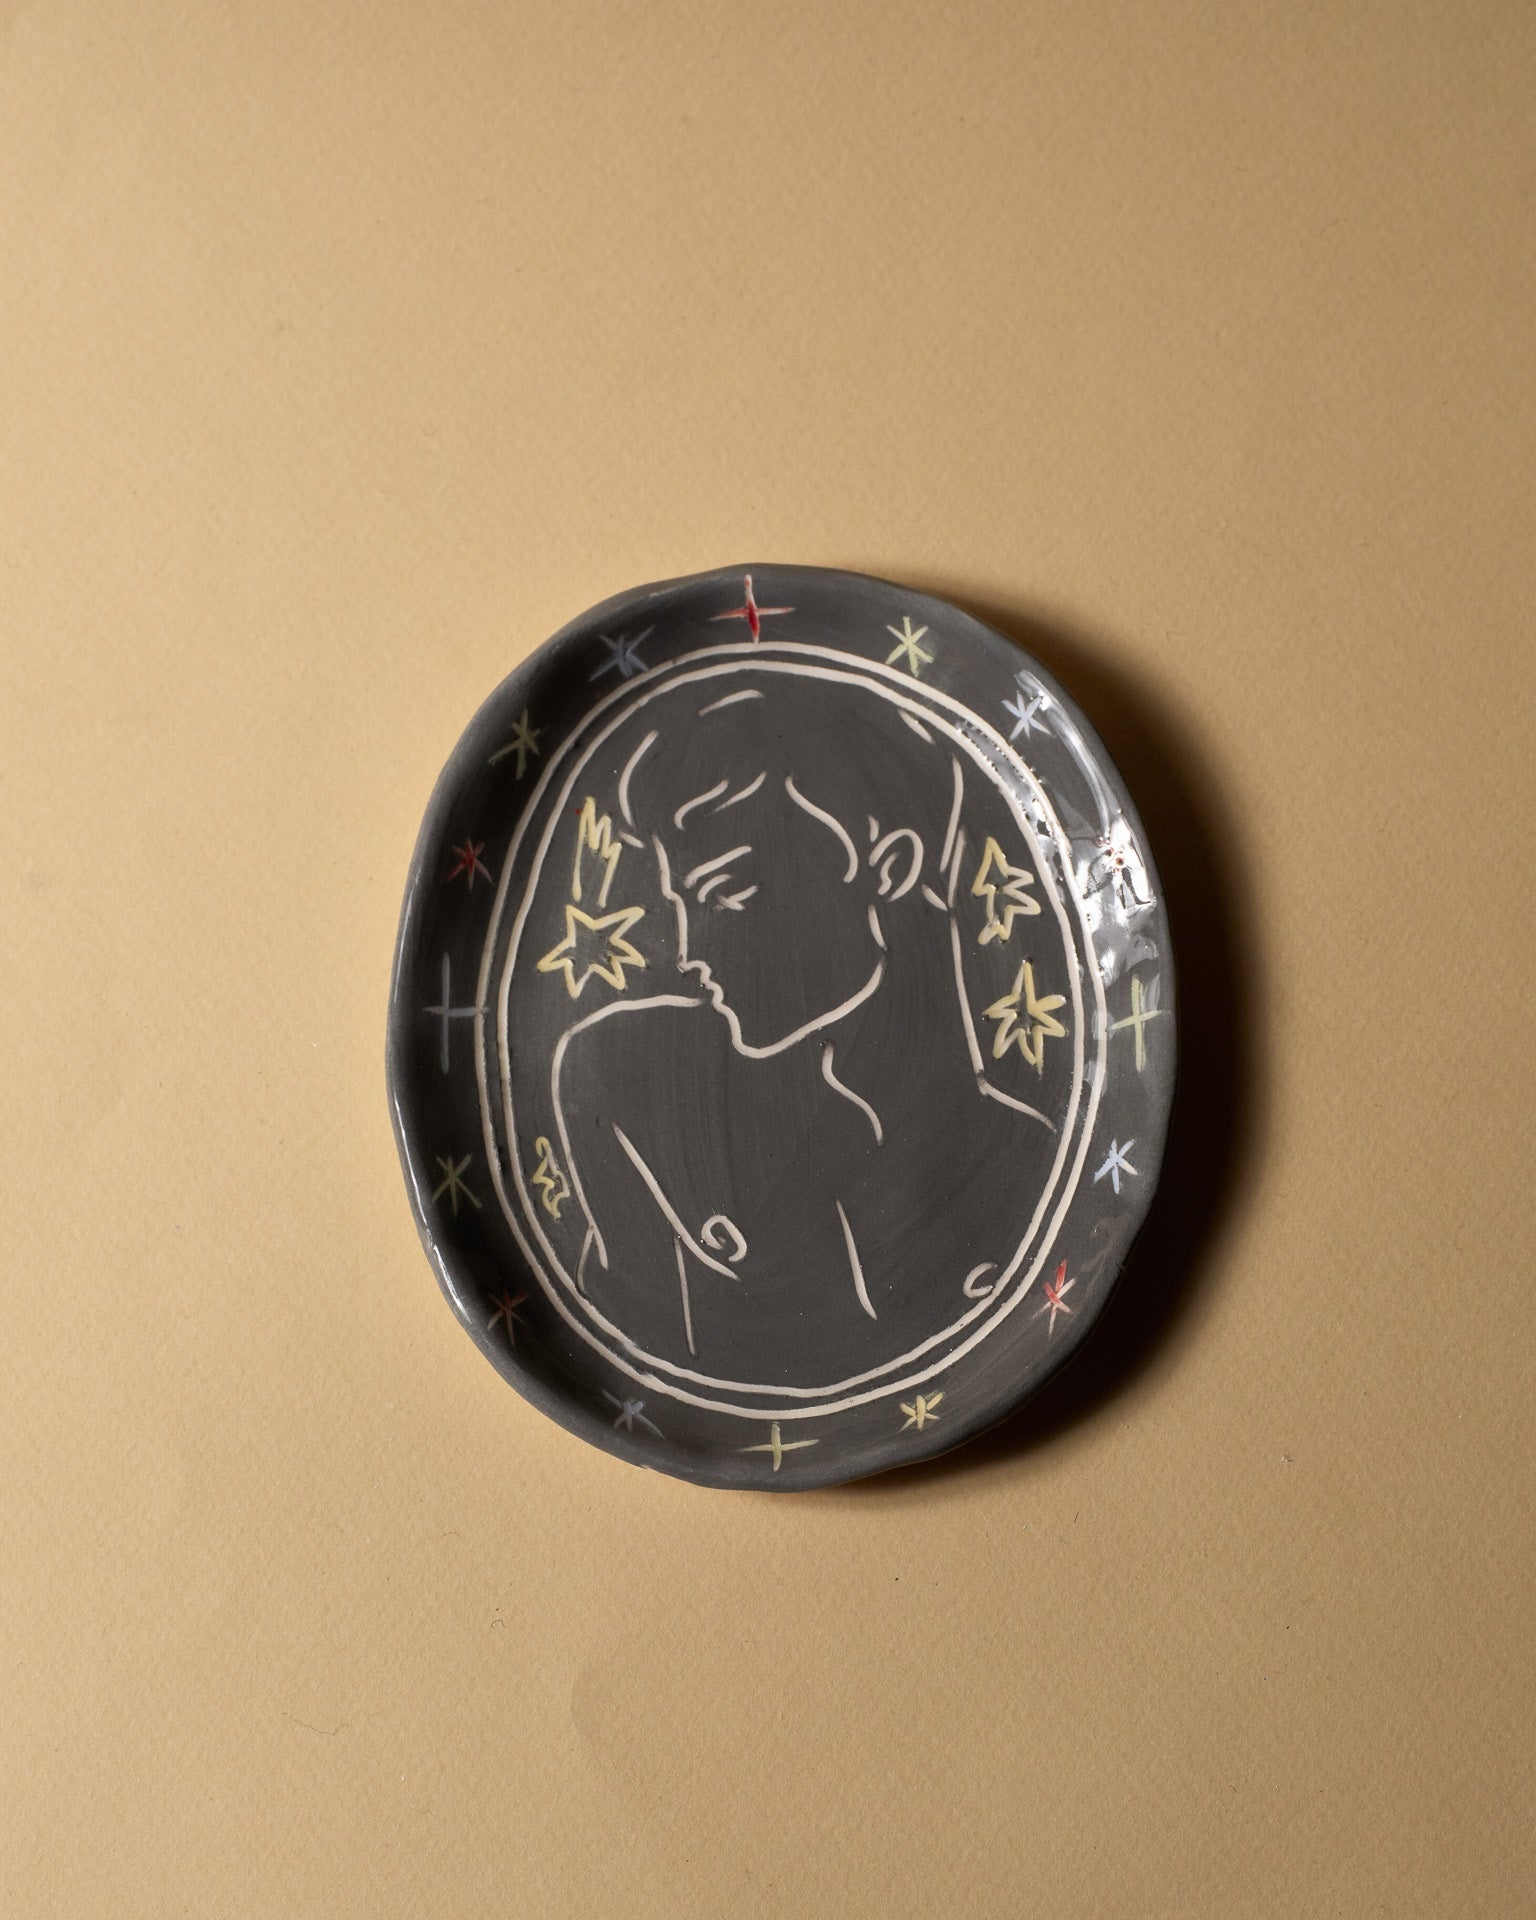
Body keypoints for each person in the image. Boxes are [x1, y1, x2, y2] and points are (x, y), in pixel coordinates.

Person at [535, 669, 1076, 1387]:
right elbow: (634, 1360)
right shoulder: (620, 1078)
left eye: (725, 894)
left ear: (889, 868)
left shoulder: (1020, 1172)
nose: (689, 952)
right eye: (680, 904)